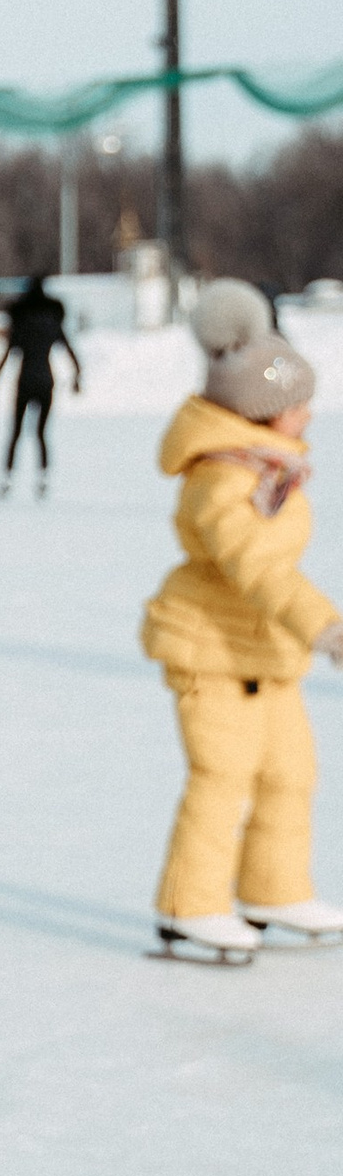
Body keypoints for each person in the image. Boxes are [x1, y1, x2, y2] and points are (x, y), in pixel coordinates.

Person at [142, 282, 343, 964]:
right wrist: (327, 628)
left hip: (264, 653)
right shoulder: (222, 481)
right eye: (298, 402)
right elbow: (259, 568)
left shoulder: (264, 465)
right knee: (221, 775)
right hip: (211, 650)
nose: (309, 412)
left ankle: (274, 888)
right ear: (261, 410)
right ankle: (189, 906)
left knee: (291, 773)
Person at [0, 275, 81, 497]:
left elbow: (7, 354)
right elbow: (70, 352)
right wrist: (78, 376)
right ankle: (43, 479)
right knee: (41, 433)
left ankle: (7, 479)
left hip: (25, 381)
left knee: (16, 432)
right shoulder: (51, 324)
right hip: (45, 381)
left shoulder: (21, 325)